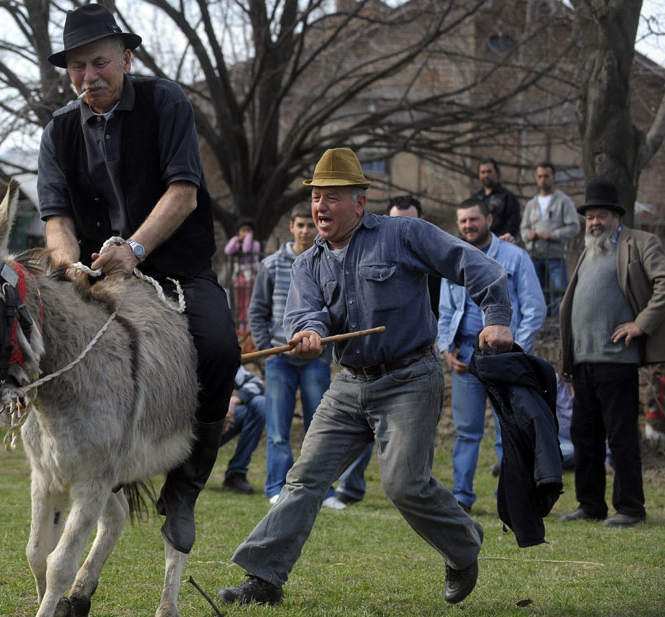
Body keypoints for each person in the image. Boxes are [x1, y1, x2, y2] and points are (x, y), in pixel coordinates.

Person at [220, 148, 514, 606]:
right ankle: (263, 578)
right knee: (305, 477)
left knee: (403, 483)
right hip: (349, 383)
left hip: (410, 377)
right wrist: (310, 333)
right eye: (316, 197)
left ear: (360, 202)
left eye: (332, 197)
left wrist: (495, 317)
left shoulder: (403, 234)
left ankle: (462, 546)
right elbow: (305, 314)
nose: (320, 207)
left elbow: (473, 265)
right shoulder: (307, 263)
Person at [37, 3, 239, 556]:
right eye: (77, 67)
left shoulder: (166, 101)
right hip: (95, 277)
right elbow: (56, 219)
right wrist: (68, 266)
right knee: (40, 346)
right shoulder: (58, 130)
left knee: (221, 349)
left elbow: (184, 193)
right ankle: (65, 456)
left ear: (126, 59)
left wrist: (136, 249)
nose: (89, 76)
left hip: (176, 268)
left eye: (100, 62)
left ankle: (185, 490)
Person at [559, 177, 665, 527]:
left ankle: (630, 508)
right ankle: (590, 505)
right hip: (583, 362)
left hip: (617, 360)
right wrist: (567, 361)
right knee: (584, 436)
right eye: (589, 217)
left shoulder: (639, 242)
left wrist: (640, 324)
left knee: (621, 435)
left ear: (616, 216)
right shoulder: (588, 251)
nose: (594, 222)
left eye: (601, 215)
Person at [437, 198, 545, 513]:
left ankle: (507, 499)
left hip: (505, 358)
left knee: (507, 431)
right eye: (463, 221)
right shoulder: (454, 259)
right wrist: (445, 348)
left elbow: (535, 308)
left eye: (474, 219)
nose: (468, 225)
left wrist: (517, 349)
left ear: (489, 220)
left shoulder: (515, 257)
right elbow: (445, 310)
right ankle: (461, 498)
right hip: (466, 357)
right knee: (466, 432)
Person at [334, 194, 437, 506]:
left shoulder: (429, 256)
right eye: (396, 221)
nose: (404, 229)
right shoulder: (363, 253)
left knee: (404, 479)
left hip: (409, 372)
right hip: (360, 372)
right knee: (346, 440)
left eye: (411, 221)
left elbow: (441, 306)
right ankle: (350, 486)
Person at [247, 205, 344, 510]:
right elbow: (257, 311)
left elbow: (337, 311)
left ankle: (324, 490)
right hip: (279, 358)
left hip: (316, 358)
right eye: (300, 224)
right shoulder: (271, 265)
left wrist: (326, 354)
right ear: (291, 227)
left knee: (321, 427)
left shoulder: (327, 263)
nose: (305, 230)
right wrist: (266, 350)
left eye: (310, 225)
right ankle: (277, 486)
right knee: (278, 429)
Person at [519, 162, 580, 316]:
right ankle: (540, 325)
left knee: (559, 293)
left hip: (555, 256)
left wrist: (552, 235)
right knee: (536, 294)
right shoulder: (532, 204)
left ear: (553, 177)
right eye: (540, 176)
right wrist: (529, 235)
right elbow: (523, 229)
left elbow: (574, 227)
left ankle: (559, 325)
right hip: (534, 256)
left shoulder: (563, 201)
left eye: (546, 176)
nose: (543, 179)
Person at [220, 365, 268, 495]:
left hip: (216, 421)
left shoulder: (221, 357)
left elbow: (256, 383)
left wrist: (234, 400)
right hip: (187, 425)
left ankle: (236, 473)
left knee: (260, 404)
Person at [225, 219, 261, 350]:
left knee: (249, 304)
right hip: (239, 277)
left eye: (248, 230)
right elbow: (228, 250)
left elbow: (246, 249)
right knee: (240, 305)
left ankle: (249, 329)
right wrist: (236, 239)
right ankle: (241, 330)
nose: (245, 233)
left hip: (251, 278)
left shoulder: (255, 244)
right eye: (243, 230)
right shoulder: (237, 243)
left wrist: (248, 238)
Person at [472, 157, 520, 243]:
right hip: (477, 245)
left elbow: (513, 224)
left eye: (489, 171)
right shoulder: (475, 198)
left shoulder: (508, 197)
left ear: (498, 173)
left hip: (501, 242)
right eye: (483, 172)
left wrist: (499, 239)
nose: (486, 175)